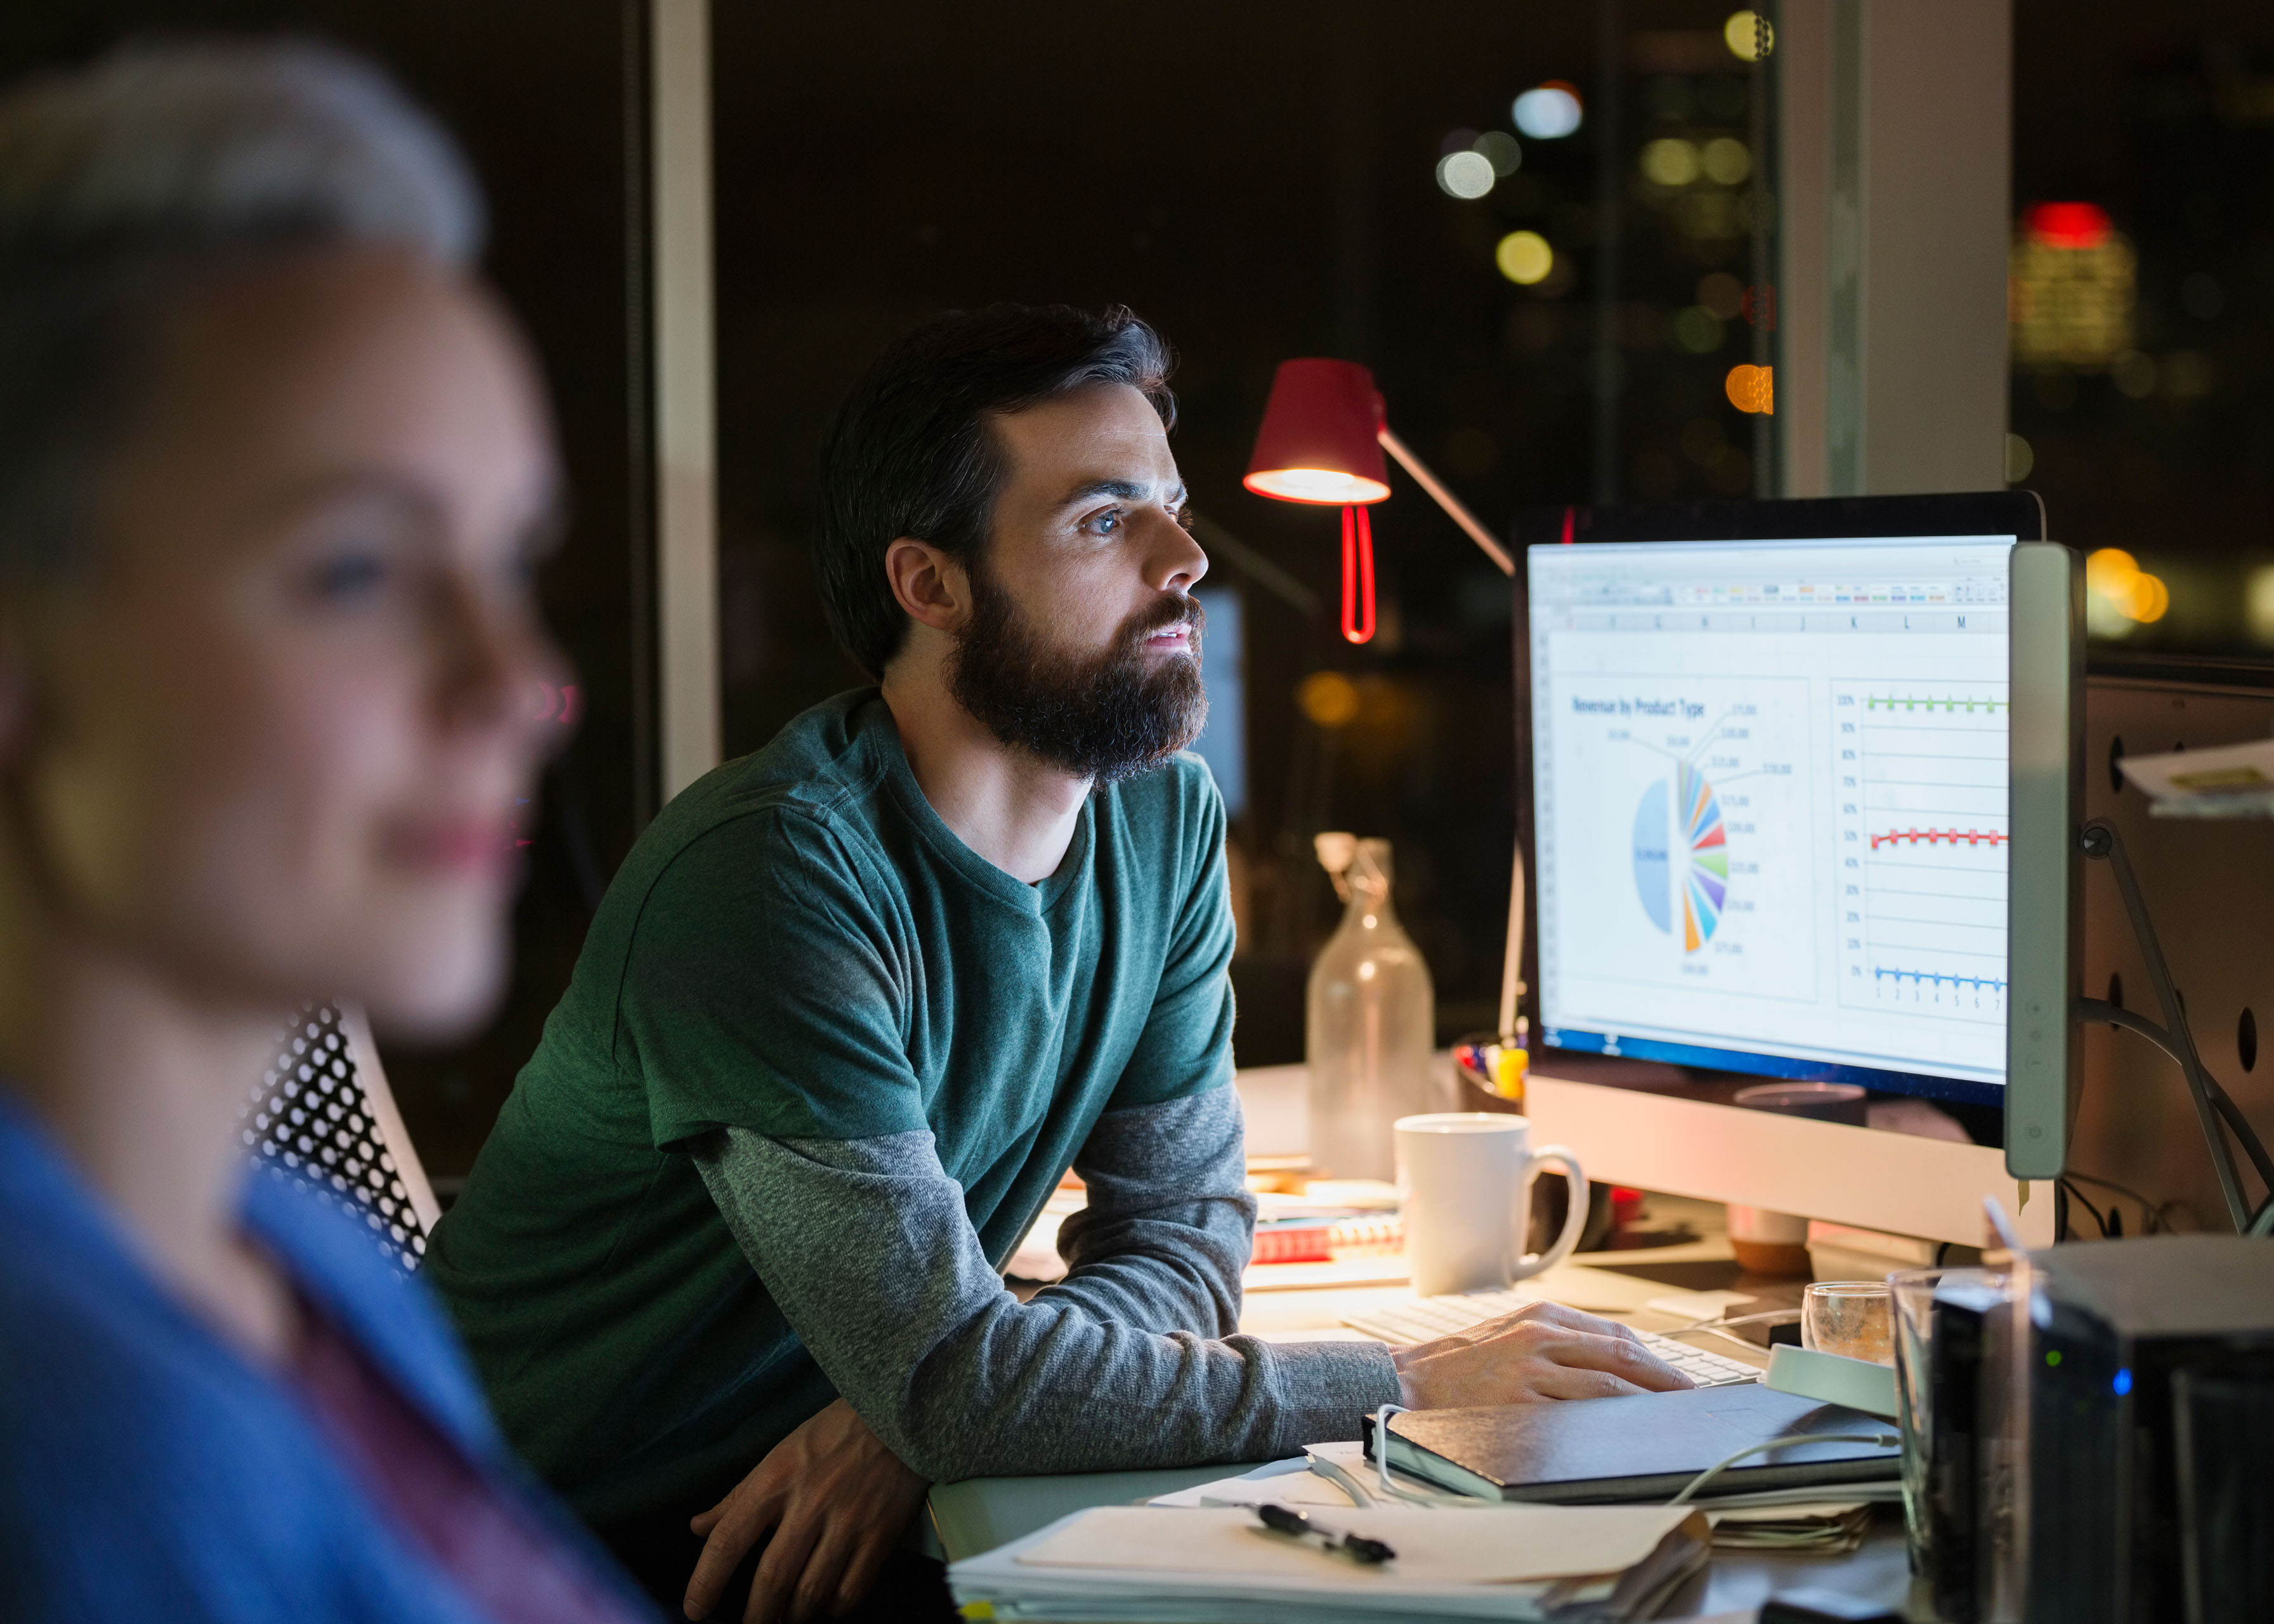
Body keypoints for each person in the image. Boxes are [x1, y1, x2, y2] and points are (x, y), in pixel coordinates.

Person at [426, 303, 1691, 1623]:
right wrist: (1415, 1379)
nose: (1189, 558)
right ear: (932, 585)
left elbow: (1185, 1238)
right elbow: (959, 1383)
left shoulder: (1162, 816)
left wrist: (921, 1411)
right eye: (1105, 521)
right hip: (544, 1543)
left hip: (823, 1493)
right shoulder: (771, 878)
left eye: (1174, 508)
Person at [0, 40, 655, 1624]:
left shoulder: (305, 1255)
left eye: (510, 562)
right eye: (357, 571)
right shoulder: (73, 1441)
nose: (521, 684)